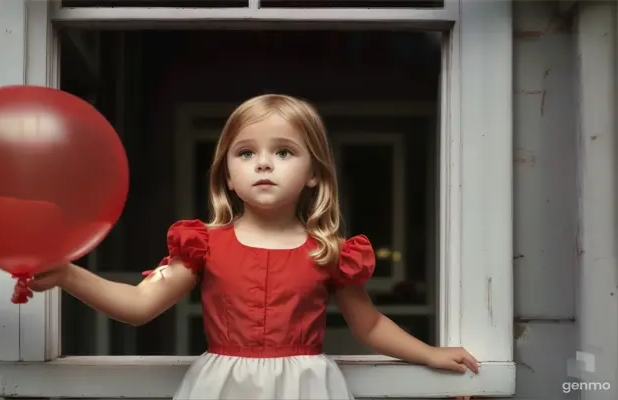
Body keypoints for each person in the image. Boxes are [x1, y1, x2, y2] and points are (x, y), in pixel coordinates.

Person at [28, 94, 479, 400]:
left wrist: (432, 354)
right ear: (227, 174)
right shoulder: (202, 244)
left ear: (315, 173)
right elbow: (139, 306)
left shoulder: (330, 251)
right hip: (221, 388)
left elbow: (371, 326)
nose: (263, 162)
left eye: (284, 152)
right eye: (245, 153)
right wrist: (69, 273)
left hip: (305, 389)